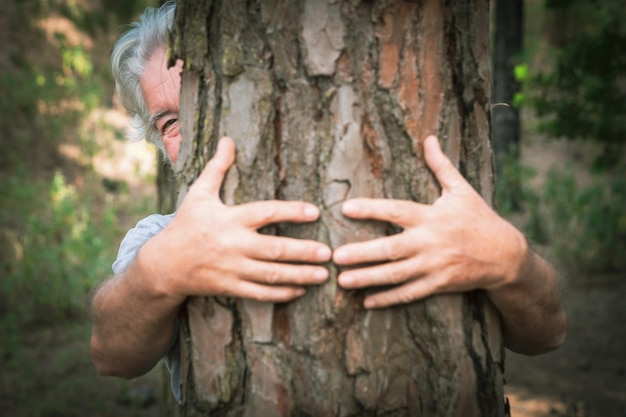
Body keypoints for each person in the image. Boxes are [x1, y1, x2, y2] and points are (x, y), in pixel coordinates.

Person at [90, 2, 566, 404]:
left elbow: (547, 333)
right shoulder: (159, 237)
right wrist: (161, 271)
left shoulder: (431, 210)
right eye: (169, 121)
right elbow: (111, 355)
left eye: (207, 99)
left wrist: (508, 261)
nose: (195, 130)